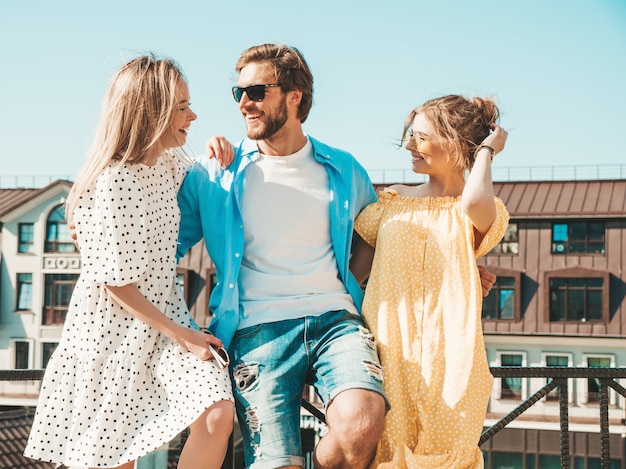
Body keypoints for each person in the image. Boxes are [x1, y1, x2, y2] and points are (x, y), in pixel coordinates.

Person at [177, 43, 388, 469]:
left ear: (295, 96)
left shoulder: (345, 169)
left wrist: (457, 268)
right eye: (238, 93)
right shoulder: (214, 173)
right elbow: (160, 245)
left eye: (256, 91)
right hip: (257, 330)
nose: (244, 104)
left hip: (336, 320)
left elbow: (383, 239)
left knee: (362, 425)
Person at [24, 54, 233, 469]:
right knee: (115, 459)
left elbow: (197, 170)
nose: (193, 115)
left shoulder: (167, 161)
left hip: (165, 322)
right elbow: (115, 285)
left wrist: (215, 146)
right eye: (182, 107)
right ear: (151, 112)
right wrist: (184, 336)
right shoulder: (116, 180)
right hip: (113, 334)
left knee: (216, 413)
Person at [349, 95, 510, 468]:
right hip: (388, 351)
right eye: (410, 136)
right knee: (384, 452)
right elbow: (352, 275)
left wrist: (485, 151)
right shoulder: (388, 203)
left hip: (453, 358)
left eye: (420, 138)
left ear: (455, 144)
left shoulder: (479, 206)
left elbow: (471, 204)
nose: (409, 146)